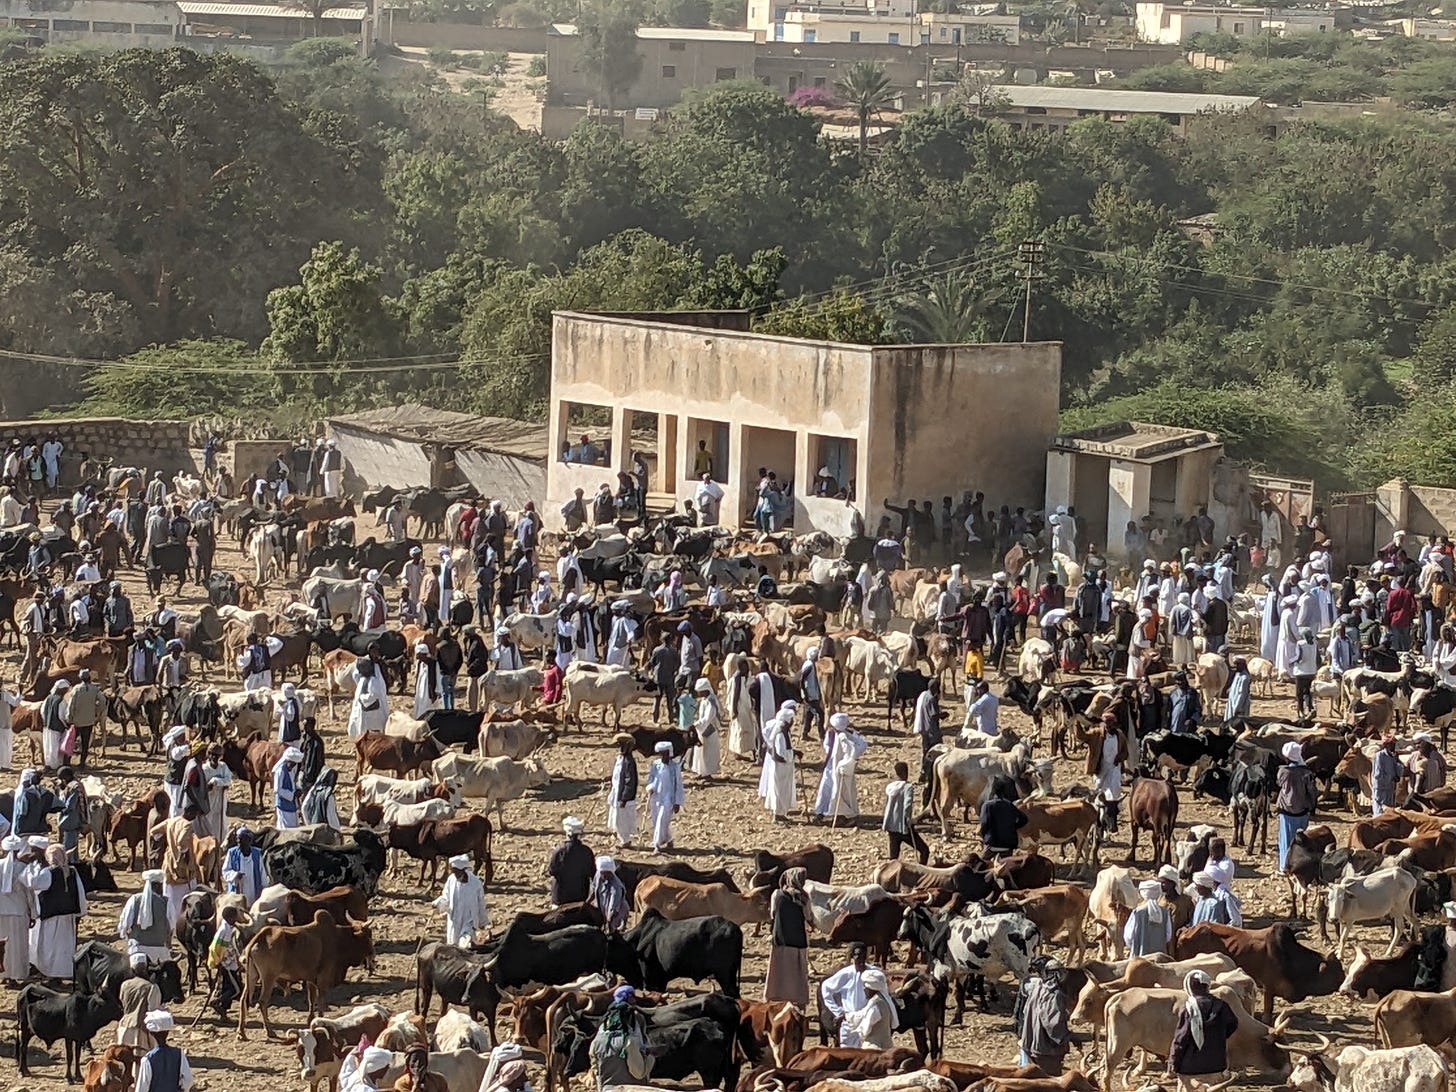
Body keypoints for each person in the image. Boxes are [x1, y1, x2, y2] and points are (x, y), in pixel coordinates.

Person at [1168, 971, 1238, 1090]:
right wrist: (1218, 1038)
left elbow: (1180, 1040)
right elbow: (1233, 1024)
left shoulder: (1188, 1009)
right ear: (1208, 986)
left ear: (1189, 987)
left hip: (1190, 1070)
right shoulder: (1222, 1006)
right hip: (1216, 1066)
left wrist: (1172, 1063)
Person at [31, 842, 85, 980]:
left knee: (50, 947)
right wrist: (80, 913)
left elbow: (33, 884)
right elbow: (80, 893)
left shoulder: (48, 873)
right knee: (64, 946)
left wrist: (32, 867)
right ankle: (63, 974)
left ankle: (52, 975)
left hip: (52, 916)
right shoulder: (72, 871)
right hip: (67, 916)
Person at [764, 867, 811, 1005]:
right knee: (797, 972)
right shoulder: (804, 897)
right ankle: (798, 999)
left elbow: (773, 914)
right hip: (798, 940)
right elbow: (808, 916)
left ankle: (775, 997)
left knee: (778, 970)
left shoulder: (777, 895)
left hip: (780, 938)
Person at [590, 985, 652, 1090]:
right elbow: (638, 1073)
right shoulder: (629, 1041)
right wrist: (650, 1058)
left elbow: (595, 1065)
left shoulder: (598, 1039)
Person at [1017, 956, 1071, 1076]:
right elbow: (1052, 1023)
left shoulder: (1037, 987)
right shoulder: (1054, 994)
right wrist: (1066, 1038)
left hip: (1030, 1044)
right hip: (1046, 1050)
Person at [814, 713, 866, 821]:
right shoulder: (831, 734)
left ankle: (843, 815)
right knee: (827, 788)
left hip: (842, 770)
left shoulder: (846, 737)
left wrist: (846, 763)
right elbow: (827, 746)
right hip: (831, 767)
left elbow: (854, 751)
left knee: (841, 791)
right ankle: (822, 812)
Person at [821, 944, 876, 1045]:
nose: (859, 958)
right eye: (856, 955)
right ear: (852, 957)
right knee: (847, 1054)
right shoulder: (846, 973)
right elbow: (826, 987)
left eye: (862, 955)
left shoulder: (873, 973)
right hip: (849, 1022)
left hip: (868, 1021)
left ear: (866, 956)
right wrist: (838, 1011)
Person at [1276, 739, 1316, 871]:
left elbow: (1279, 785)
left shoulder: (1283, 772)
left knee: (1285, 840)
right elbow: (1311, 791)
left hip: (1287, 812)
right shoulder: (1306, 773)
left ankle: (1284, 866)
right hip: (1302, 811)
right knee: (1301, 840)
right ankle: (1299, 865)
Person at [433, 854, 490, 947]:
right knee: (453, 948)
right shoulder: (451, 880)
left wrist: (483, 923)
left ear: (463, 870)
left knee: (465, 946)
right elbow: (446, 898)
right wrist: (439, 903)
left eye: (456, 872)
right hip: (454, 922)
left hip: (469, 923)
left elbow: (481, 904)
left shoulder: (476, 883)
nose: (455, 874)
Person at [0, 834, 35, 984]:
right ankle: (16, 975)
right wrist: (33, 913)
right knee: (18, 945)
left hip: (2, 911)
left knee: (3, 947)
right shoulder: (24, 868)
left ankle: (4, 974)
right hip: (19, 912)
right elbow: (30, 894)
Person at [134, 1009, 194, 1092]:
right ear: (167, 1032)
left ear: (151, 1033)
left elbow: (142, 1088)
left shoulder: (148, 1059)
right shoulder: (179, 1054)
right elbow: (188, 1080)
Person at [883, 760, 929, 864]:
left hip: (891, 827)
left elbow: (887, 806)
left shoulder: (890, 787)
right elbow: (907, 805)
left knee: (893, 858)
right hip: (904, 827)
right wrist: (908, 820)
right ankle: (922, 872)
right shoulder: (907, 788)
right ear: (905, 773)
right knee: (924, 850)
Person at [839, 968, 896, 1050]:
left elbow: (865, 1026)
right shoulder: (880, 1000)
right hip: (887, 1045)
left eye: (866, 987)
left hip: (875, 1048)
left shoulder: (876, 1006)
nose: (864, 990)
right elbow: (863, 1013)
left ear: (872, 989)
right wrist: (846, 1016)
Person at [645, 742, 684, 853]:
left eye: (665, 754)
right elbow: (651, 779)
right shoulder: (656, 765)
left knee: (662, 820)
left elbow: (678, 785)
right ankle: (669, 839)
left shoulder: (675, 767)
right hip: (656, 797)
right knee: (657, 820)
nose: (663, 756)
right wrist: (650, 787)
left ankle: (656, 844)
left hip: (668, 798)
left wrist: (677, 802)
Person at [549, 816, 595, 906]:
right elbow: (592, 873)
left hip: (560, 897)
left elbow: (552, 871)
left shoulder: (559, 851)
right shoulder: (587, 851)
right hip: (580, 897)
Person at [762, 708, 796, 822]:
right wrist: (792, 754)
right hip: (781, 767)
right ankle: (778, 815)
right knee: (780, 790)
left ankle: (781, 813)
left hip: (784, 766)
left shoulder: (785, 732)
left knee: (782, 789)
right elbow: (782, 752)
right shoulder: (781, 734)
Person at [1124, 878, 1172, 958]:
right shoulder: (1165, 912)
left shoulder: (1138, 912)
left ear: (1143, 893)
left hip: (1140, 957)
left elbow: (1129, 936)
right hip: (1160, 958)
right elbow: (1168, 936)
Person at [980, 779, 1028, 856]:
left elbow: (984, 824)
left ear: (993, 791)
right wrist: (1013, 827)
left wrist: (985, 837)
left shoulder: (987, 806)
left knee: (980, 866)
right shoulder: (1010, 805)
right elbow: (1024, 819)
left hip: (992, 844)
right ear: (1004, 792)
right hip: (1008, 846)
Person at [64, 669, 101, 768]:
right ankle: (82, 763)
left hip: (76, 721)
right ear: (89, 678)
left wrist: (69, 718)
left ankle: (67, 762)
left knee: (71, 741)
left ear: (80, 678)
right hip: (89, 721)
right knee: (85, 743)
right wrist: (96, 712)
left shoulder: (76, 689)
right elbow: (102, 700)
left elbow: (71, 705)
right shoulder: (94, 689)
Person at [688, 678, 723, 778]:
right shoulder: (705, 700)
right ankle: (701, 772)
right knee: (701, 753)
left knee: (708, 754)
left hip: (710, 730)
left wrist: (695, 724)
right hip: (702, 730)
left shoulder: (711, 702)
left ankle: (707, 774)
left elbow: (707, 718)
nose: (698, 693)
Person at [608, 735, 638, 848]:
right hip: (616, 793)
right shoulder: (620, 759)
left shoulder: (629, 762)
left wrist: (625, 797)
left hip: (623, 796)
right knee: (616, 817)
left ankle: (625, 841)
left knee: (623, 819)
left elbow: (630, 781)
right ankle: (620, 836)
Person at [348, 657, 389, 740]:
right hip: (362, 710)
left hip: (373, 713)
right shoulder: (362, 679)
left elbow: (374, 695)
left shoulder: (374, 681)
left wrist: (362, 698)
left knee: (373, 733)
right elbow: (355, 675)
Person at [223, 827, 265, 906]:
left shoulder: (257, 854)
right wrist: (235, 874)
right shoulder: (232, 853)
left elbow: (262, 872)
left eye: (241, 839)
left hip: (253, 890)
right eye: (237, 839)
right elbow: (225, 871)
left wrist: (264, 888)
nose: (238, 841)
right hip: (237, 892)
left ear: (249, 840)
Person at [588, 855, 629, 933]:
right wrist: (587, 902)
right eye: (602, 873)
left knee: (612, 929)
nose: (603, 875)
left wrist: (609, 920)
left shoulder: (616, 886)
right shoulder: (598, 876)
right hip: (602, 905)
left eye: (606, 873)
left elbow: (613, 904)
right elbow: (594, 889)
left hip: (617, 910)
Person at [726, 659, 757, 761]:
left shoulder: (747, 676)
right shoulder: (737, 678)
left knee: (751, 730)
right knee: (740, 730)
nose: (745, 669)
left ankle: (753, 751)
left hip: (747, 706)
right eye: (743, 667)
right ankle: (738, 752)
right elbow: (735, 695)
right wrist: (734, 709)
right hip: (740, 707)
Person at [1409, 731, 1448, 797]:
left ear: (1426, 742)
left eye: (1419, 743)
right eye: (1415, 744)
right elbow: (1407, 771)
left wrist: (1442, 785)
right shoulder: (1414, 756)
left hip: (1434, 791)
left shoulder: (1437, 757)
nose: (1417, 746)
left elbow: (1443, 770)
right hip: (1416, 793)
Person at [273, 746, 304, 829]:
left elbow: (292, 783)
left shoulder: (291, 770)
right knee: (284, 829)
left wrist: (297, 789)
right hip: (283, 805)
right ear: (287, 761)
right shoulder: (280, 771)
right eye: (292, 763)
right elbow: (277, 789)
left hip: (291, 805)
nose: (293, 765)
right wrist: (292, 795)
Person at [1373, 733, 1402, 817]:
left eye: (1394, 744)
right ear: (1386, 745)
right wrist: (1391, 778)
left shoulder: (1393, 757)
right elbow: (1378, 775)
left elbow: (1399, 771)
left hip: (1391, 789)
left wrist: (1397, 760)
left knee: (1389, 812)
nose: (1394, 746)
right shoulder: (1380, 756)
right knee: (1380, 812)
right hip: (1381, 789)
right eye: (1392, 744)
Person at [413, 641, 440, 719]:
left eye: (419, 655)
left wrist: (436, 692)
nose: (417, 658)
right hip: (420, 690)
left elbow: (438, 677)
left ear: (424, 654)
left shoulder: (434, 664)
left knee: (428, 711)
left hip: (429, 693)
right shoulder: (420, 663)